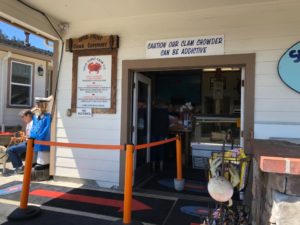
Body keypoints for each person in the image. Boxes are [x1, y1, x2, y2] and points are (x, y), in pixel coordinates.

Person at [6, 109, 33, 174]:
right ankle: (20, 167)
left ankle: (19, 167)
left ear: (28, 115)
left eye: (23, 117)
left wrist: (21, 138)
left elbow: (31, 137)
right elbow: (26, 137)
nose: (22, 119)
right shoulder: (29, 123)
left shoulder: (32, 124)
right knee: (13, 149)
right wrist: (18, 139)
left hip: (30, 144)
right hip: (27, 142)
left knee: (10, 150)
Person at [30, 96, 53, 171]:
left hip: (43, 137)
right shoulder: (35, 116)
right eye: (37, 105)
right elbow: (34, 125)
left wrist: (41, 135)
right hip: (36, 137)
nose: (37, 106)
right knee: (36, 150)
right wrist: (32, 134)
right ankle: (36, 161)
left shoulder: (47, 116)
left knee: (42, 150)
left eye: (39, 105)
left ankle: (43, 163)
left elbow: (47, 127)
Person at [150, 101, 169, 172]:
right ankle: (161, 167)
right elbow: (166, 124)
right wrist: (166, 135)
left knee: (153, 149)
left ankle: (153, 166)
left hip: (153, 133)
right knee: (161, 150)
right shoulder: (165, 112)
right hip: (162, 133)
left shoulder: (152, 112)